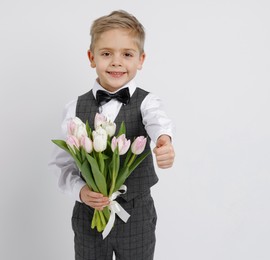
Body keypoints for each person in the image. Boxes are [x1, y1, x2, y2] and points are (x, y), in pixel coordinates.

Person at [49, 10, 175, 260]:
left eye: (127, 54)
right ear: (91, 57)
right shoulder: (75, 107)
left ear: (141, 59)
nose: (116, 62)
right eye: (106, 53)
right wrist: (82, 192)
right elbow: (62, 164)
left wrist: (164, 140)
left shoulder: (147, 103)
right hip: (89, 216)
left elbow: (158, 121)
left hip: (136, 214)